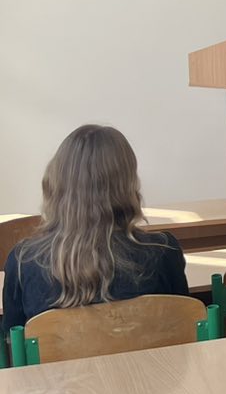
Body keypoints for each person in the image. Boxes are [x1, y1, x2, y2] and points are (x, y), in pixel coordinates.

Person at [2, 124, 185, 332]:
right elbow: (184, 326)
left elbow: (11, 341)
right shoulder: (164, 252)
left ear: (56, 182)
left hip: (59, 355)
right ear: (128, 183)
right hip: (150, 355)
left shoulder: (24, 261)